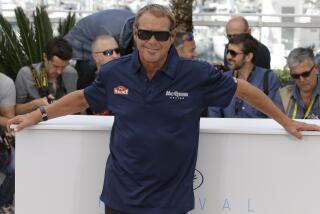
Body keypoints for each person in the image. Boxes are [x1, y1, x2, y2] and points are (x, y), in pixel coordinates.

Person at [7, 4, 320, 214]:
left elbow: (243, 88)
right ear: (135, 35)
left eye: (160, 34)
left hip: (170, 202)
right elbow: (82, 99)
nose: (151, 41)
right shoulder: (116, 72)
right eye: (145, 34)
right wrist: (36, 115)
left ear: (172, 37)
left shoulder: (195, 74)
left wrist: (284, 121)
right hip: (120, 199)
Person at [208, 33, 282, 118]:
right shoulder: (222, 79)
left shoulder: (269, 79)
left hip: (259, 131)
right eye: (228, 52)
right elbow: (213, 113)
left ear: (248, 57)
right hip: (226, 130)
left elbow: (275, 116)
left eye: (233, 53)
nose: (228, 57)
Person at [64, 9, 134, 90]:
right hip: (84, 37)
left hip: (100, 31)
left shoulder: (138, 24)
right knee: (88, 71)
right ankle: (84, 97)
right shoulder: (113, 33)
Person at [15, 37, 78, 115]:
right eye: (56, 66)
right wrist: (35, 104)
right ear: (45, 57)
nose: (59, 71)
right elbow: (15, 110)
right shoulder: (26, 74)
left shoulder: (71, 73)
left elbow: (76, 104)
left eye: (64, 67)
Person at [280, 47, 320, 119]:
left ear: (316, 69)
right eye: (295, 76)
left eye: (306, 74)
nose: (301, 80)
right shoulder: (283, 94)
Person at [0, 72, 15, 213]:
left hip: (2, 143)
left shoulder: (5, 83)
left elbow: (9, 120)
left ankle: (3, 202)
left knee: (15, 167)